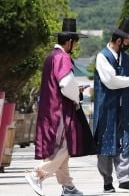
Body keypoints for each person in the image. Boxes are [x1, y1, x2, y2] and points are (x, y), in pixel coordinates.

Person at [25, 18, 91, 196]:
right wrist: (77, 94)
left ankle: (68, 186)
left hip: (50, 109)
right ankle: (37, 174)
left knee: (60, 148)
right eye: (75, 42)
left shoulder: (51, 56)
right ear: (69, 41)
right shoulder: (62, 57)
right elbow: (66, 84)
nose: (75, 46)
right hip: (60, 110)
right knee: (66, 146)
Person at [93, 18, 129, 193]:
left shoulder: (126, 57)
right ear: (119, 40)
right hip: (107, 108)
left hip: (124, 107)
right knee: (105, 143)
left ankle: (125, 179)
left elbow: (121, 79)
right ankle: (107, 182)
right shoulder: (102, 56)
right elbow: (110, 81)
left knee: (127, 140)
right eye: (128, 40)